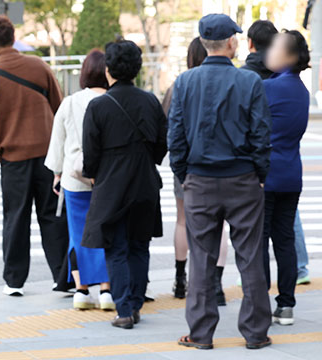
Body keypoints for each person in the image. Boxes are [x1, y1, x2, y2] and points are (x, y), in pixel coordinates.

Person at [168, 14, 272, 350]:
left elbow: (177, 138)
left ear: (202, 42)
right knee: (250, 256)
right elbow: (261, 134)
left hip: (199, 180)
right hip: (243, 179)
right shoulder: (249, 82)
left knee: (201, 258)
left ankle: (201, 334)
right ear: (230, 42)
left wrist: (185, 175)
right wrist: (259, 174)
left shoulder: (184, 82)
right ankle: (255, 332)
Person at [0, 15, 68, 297]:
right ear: (14, 38)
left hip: (13, 159)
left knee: (15, 217)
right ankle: (62, 277)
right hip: (46, 156)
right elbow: (59, 108)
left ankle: (14, 281)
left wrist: (0, 153)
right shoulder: (39, 66)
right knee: (52, 216)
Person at [82, 40, 167, 329]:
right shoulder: (150, 101)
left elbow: (90, 155)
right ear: (137, 69)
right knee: (140, 247)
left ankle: (124, 310)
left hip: (112, 186)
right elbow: (161, 147)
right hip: (145, 183)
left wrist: (96, 173)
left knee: (116, 248)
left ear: (109, 70)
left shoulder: (98, 106)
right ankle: (136, 303)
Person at [162, 37, 229, 305]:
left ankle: (181, 280)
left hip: (188, 165)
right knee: (219, 226)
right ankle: (217, 285)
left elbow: (168, 129)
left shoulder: (179, 84)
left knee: (183, 221)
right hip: (223, 163)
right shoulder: (228, 81)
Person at [45, 49, 112, 310]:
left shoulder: (71, 102)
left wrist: (57, 173)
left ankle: (82, 290)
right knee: (106, 232)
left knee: (78, 234)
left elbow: (57, 142)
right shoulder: (113, 100)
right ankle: (106, 290)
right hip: (106, 179)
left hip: (75, 179)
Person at [261, 29, 311, 326]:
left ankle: (261, 302)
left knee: (259, 242)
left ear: (290, 56)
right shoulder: (302, 91)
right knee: (285, 240)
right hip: (292, 173)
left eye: (276, 47)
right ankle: (286, 305)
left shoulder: (269, 88)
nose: (269, 51)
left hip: (266, 176)